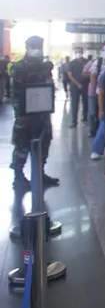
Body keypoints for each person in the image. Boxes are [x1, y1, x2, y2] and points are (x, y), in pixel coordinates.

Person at [9, 36, 60, 191]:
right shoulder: (19, 67)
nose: (37, 49)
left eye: (39, 46)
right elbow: (15, 94)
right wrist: (21, 114)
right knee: (22, 147)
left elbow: (49, 87)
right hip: (25, 115)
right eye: (33, 46)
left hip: (42, 113)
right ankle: (18, 177)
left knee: (43, 144)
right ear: (27, 47)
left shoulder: (45, 67)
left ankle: (40, 174)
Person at [67, 48, 89, 127]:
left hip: (85, 84)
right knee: (74, 103)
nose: (78, 53)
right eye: (76, 52)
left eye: (79, 52)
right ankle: (74, 121)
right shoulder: (71, 63)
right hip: (74, 85)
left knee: (85, 102)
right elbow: (70, 75)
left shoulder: (87, 62)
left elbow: (90, 72)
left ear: (82, 52)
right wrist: (77, 84)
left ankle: (85, 119)